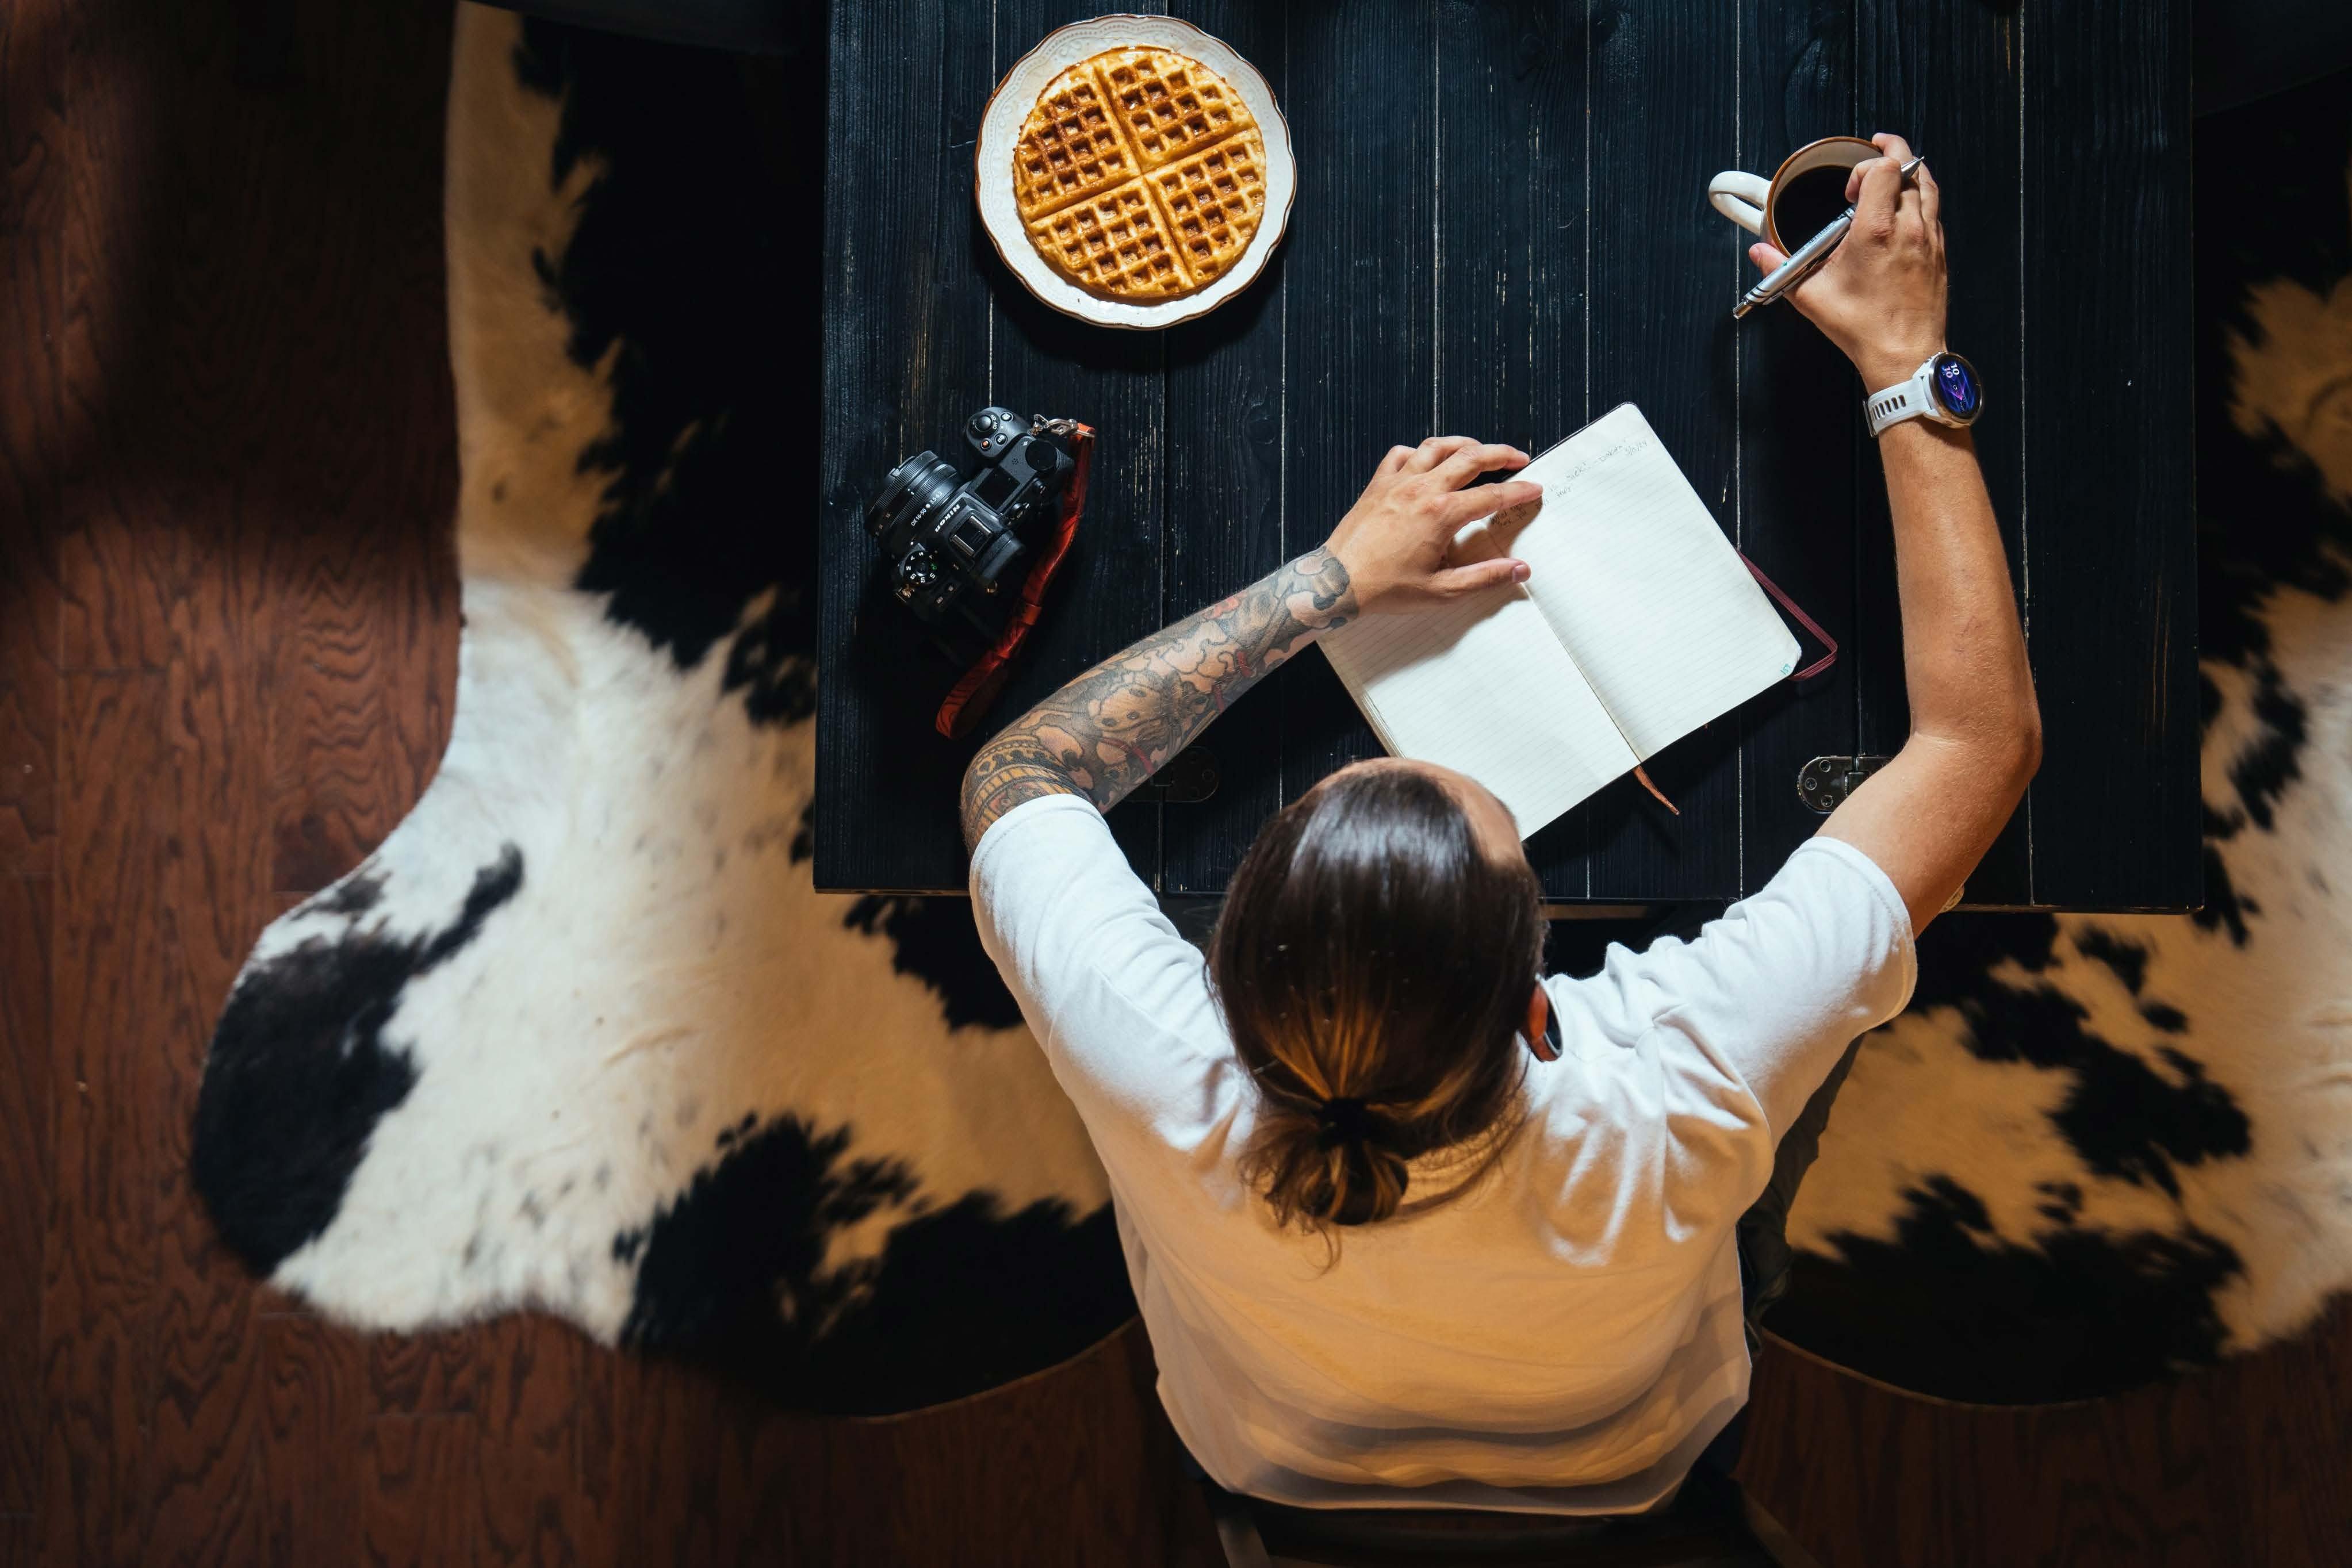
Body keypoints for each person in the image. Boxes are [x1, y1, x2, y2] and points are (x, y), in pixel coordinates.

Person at [960, 133, 2037, 1513]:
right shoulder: (1673, 1097)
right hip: (1644, 1471)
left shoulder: (1161, 1066)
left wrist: (1329, 582)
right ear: (1545, 1012)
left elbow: (1017, 776)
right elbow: (1979, 744)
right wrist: (1906, 366)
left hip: (1267, 1470)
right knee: (1794, 1099)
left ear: (1215, 975)